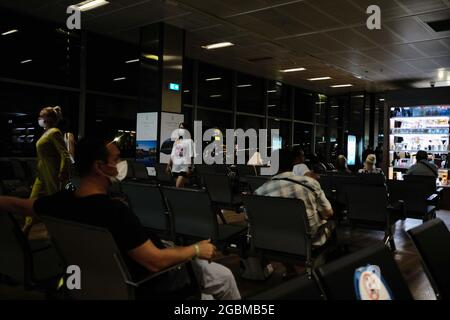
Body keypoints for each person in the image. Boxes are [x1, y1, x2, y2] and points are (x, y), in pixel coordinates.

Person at [0, 138, 240, 300]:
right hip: (146, 280)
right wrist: (197, 249)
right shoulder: (114, 213)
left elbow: (14, 204)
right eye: (115, 160)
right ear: (99, 167)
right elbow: (154, 262)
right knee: (224, 277)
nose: (119, 165)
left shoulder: (60, 202)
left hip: (89, 280)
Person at [255, 149, 334, 247]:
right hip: (308, 241)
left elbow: (249, 218)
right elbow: (328, 212)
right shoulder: (310, 184)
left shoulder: (260, 191)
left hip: (274, 241)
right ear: (293, 163)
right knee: (331, 224)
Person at [24, 106, 71, 234]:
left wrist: (63, 171)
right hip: (42, 171)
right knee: (33, 199)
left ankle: (58, 231)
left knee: (53, 201)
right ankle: (27, 227)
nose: (40, 118)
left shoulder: (54, 132)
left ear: (50, 118)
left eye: (42, 115)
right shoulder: (45, 133)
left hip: (51, 171)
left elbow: (64, 154)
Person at [167, 122, 195, 188]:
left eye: (182, 128)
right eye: (179, 128)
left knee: (178, 186)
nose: (180, 129)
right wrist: (168, 165)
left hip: (184, 168)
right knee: (181, 187)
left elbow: (191, 155)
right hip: (175, 167)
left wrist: (189, 168)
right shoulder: (177, 141)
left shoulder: (190, 141)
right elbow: (172, 155)